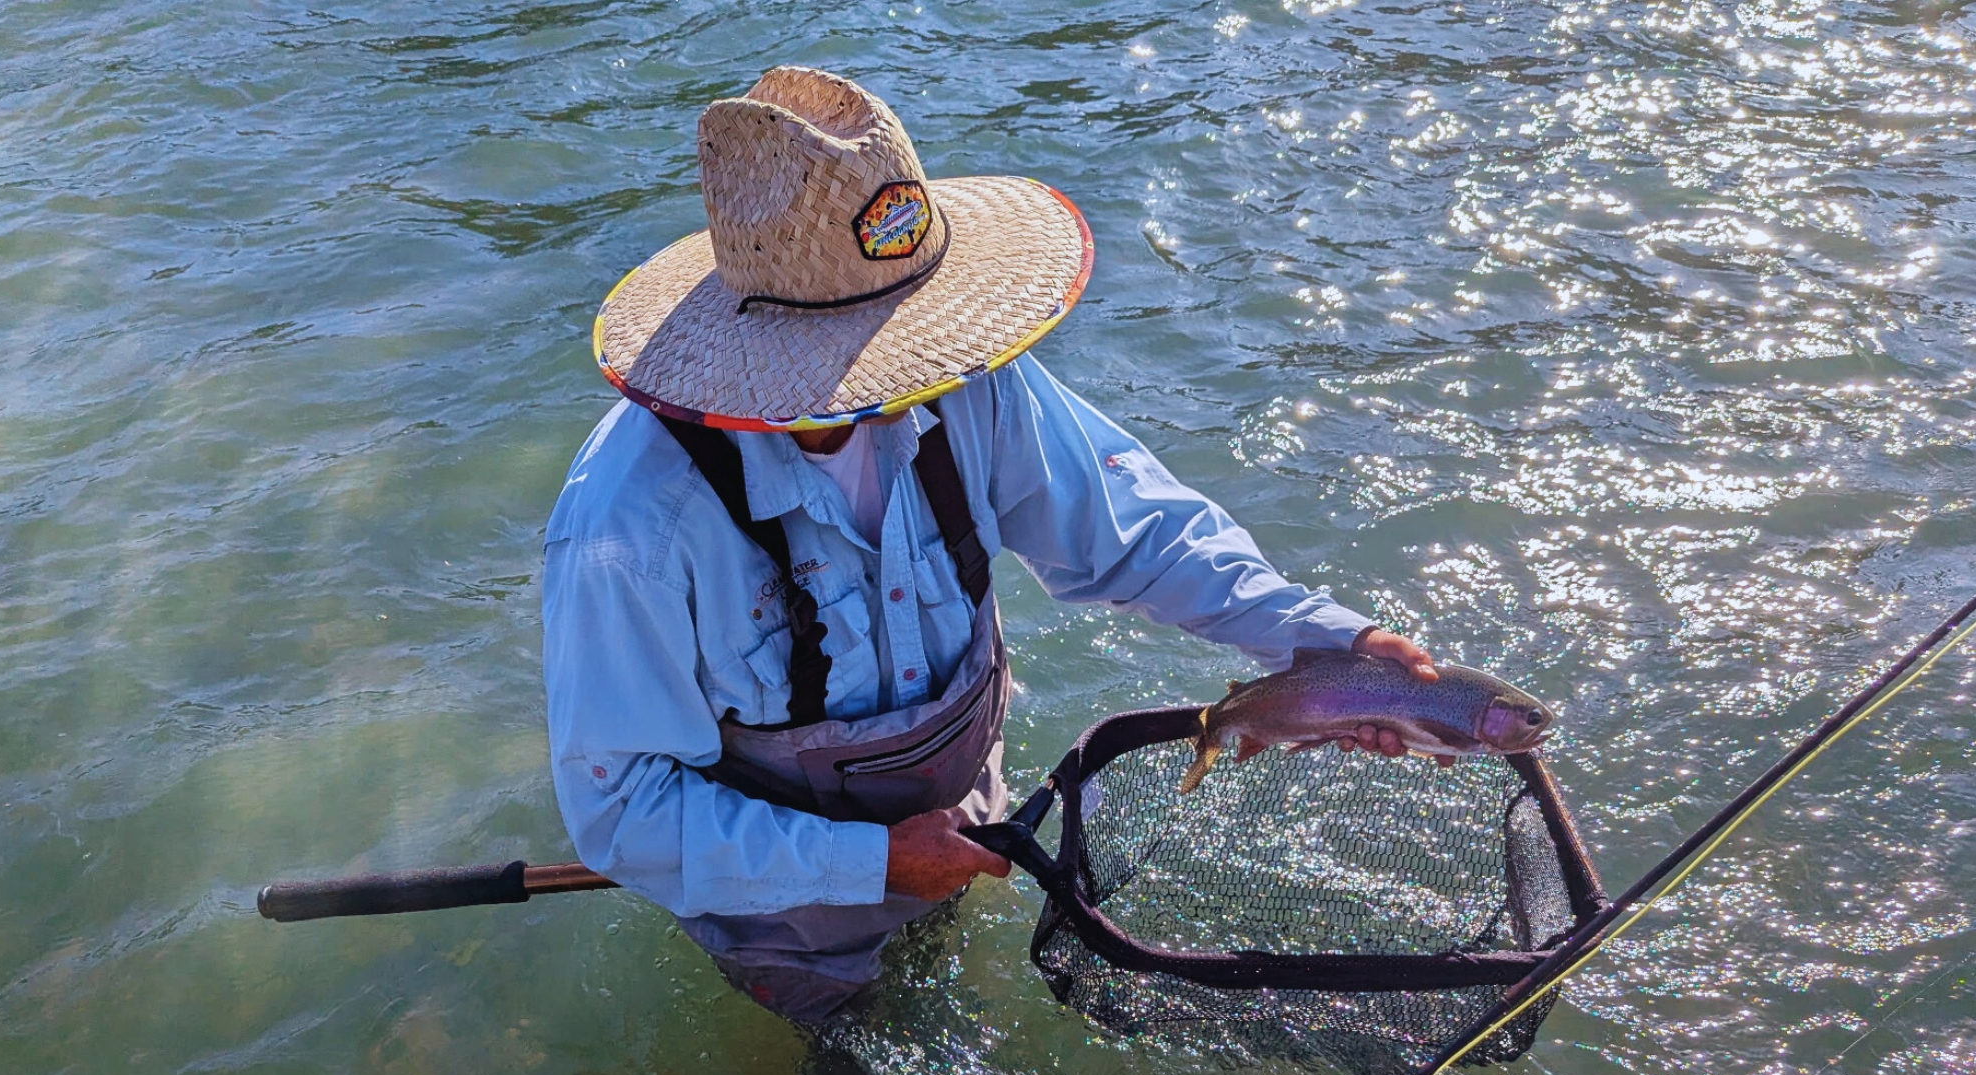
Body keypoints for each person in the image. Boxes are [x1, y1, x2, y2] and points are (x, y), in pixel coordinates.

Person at [542, 66, 1438, 1025]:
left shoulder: (968, 386)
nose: (910, 374)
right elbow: (620, 810)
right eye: (870, 347)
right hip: (785, 913)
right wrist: (873, 864)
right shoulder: (629, 533)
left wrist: (1327, 642)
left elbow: (1138, 533)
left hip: (963, 824)